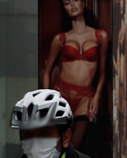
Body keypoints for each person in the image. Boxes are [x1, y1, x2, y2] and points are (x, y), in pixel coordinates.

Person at [40, 0, 107, 149]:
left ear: (83, 3)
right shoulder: (61, 39)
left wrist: (96, 97)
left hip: (85, 96)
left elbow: (102, 72)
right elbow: (47, 71)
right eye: (66, 3)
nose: (72, 5)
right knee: (57, 146)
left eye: (75, 0)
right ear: (64, 8)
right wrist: (47, 99)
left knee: (73, 148)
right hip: (62, 92)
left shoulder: (100, 36)